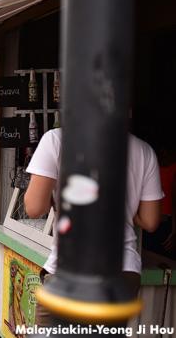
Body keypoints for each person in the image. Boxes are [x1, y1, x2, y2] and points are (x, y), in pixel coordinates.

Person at [24, 128, 163, 326]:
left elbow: (34, 208)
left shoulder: (56, 139)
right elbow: (150, 221)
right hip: (123, 271)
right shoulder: (143, 150)